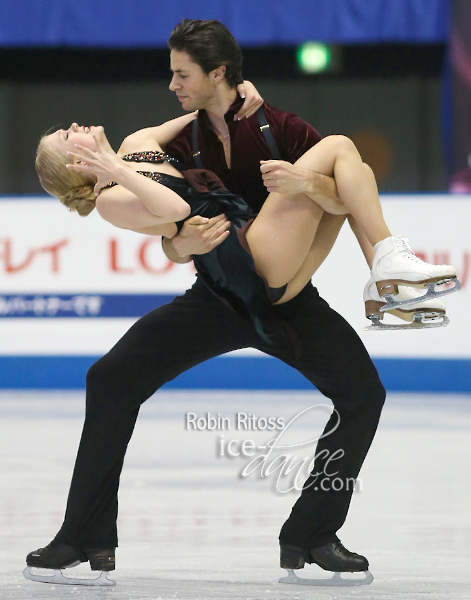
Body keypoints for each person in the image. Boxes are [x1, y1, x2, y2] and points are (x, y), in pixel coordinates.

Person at [25, 20, 457, 586]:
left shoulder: (188, 137)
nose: (76, 126)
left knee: (363, 394)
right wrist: (162, 227)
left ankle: (310, 534)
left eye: (183, 74)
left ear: (216, 74)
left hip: (283, 291)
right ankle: (83, 538)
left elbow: (195, 133)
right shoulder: (117, 181)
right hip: (226, 293)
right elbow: (173, 215)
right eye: (68, 138)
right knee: (110, 379)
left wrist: (241, 117)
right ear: (77, 168)